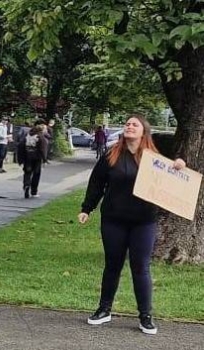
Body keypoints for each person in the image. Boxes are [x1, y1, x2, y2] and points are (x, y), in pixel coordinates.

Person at [79, 115, 186, 335]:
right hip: (113, 220)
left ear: (143, 132)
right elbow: (97, 183)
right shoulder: (111, 155)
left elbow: (175, 170)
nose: (129, 126)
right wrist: (86, 208)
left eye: (134, 124)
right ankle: (104, 309)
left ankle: (145, 316)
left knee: (141, 267)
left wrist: (179, 164)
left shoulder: (154, 158)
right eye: (127, 123)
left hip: (143, 221)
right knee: (113, 264)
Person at [17, 120, 50, 199]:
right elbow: (43, 149)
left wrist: (20, 159)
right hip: (37, 157)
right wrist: (44, 159)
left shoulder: (27, 134)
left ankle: (26, 185)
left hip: (27, 157)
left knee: (27, 172)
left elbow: (21, 145)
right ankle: (34, 191)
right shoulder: (40, 136)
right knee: (36, 174)